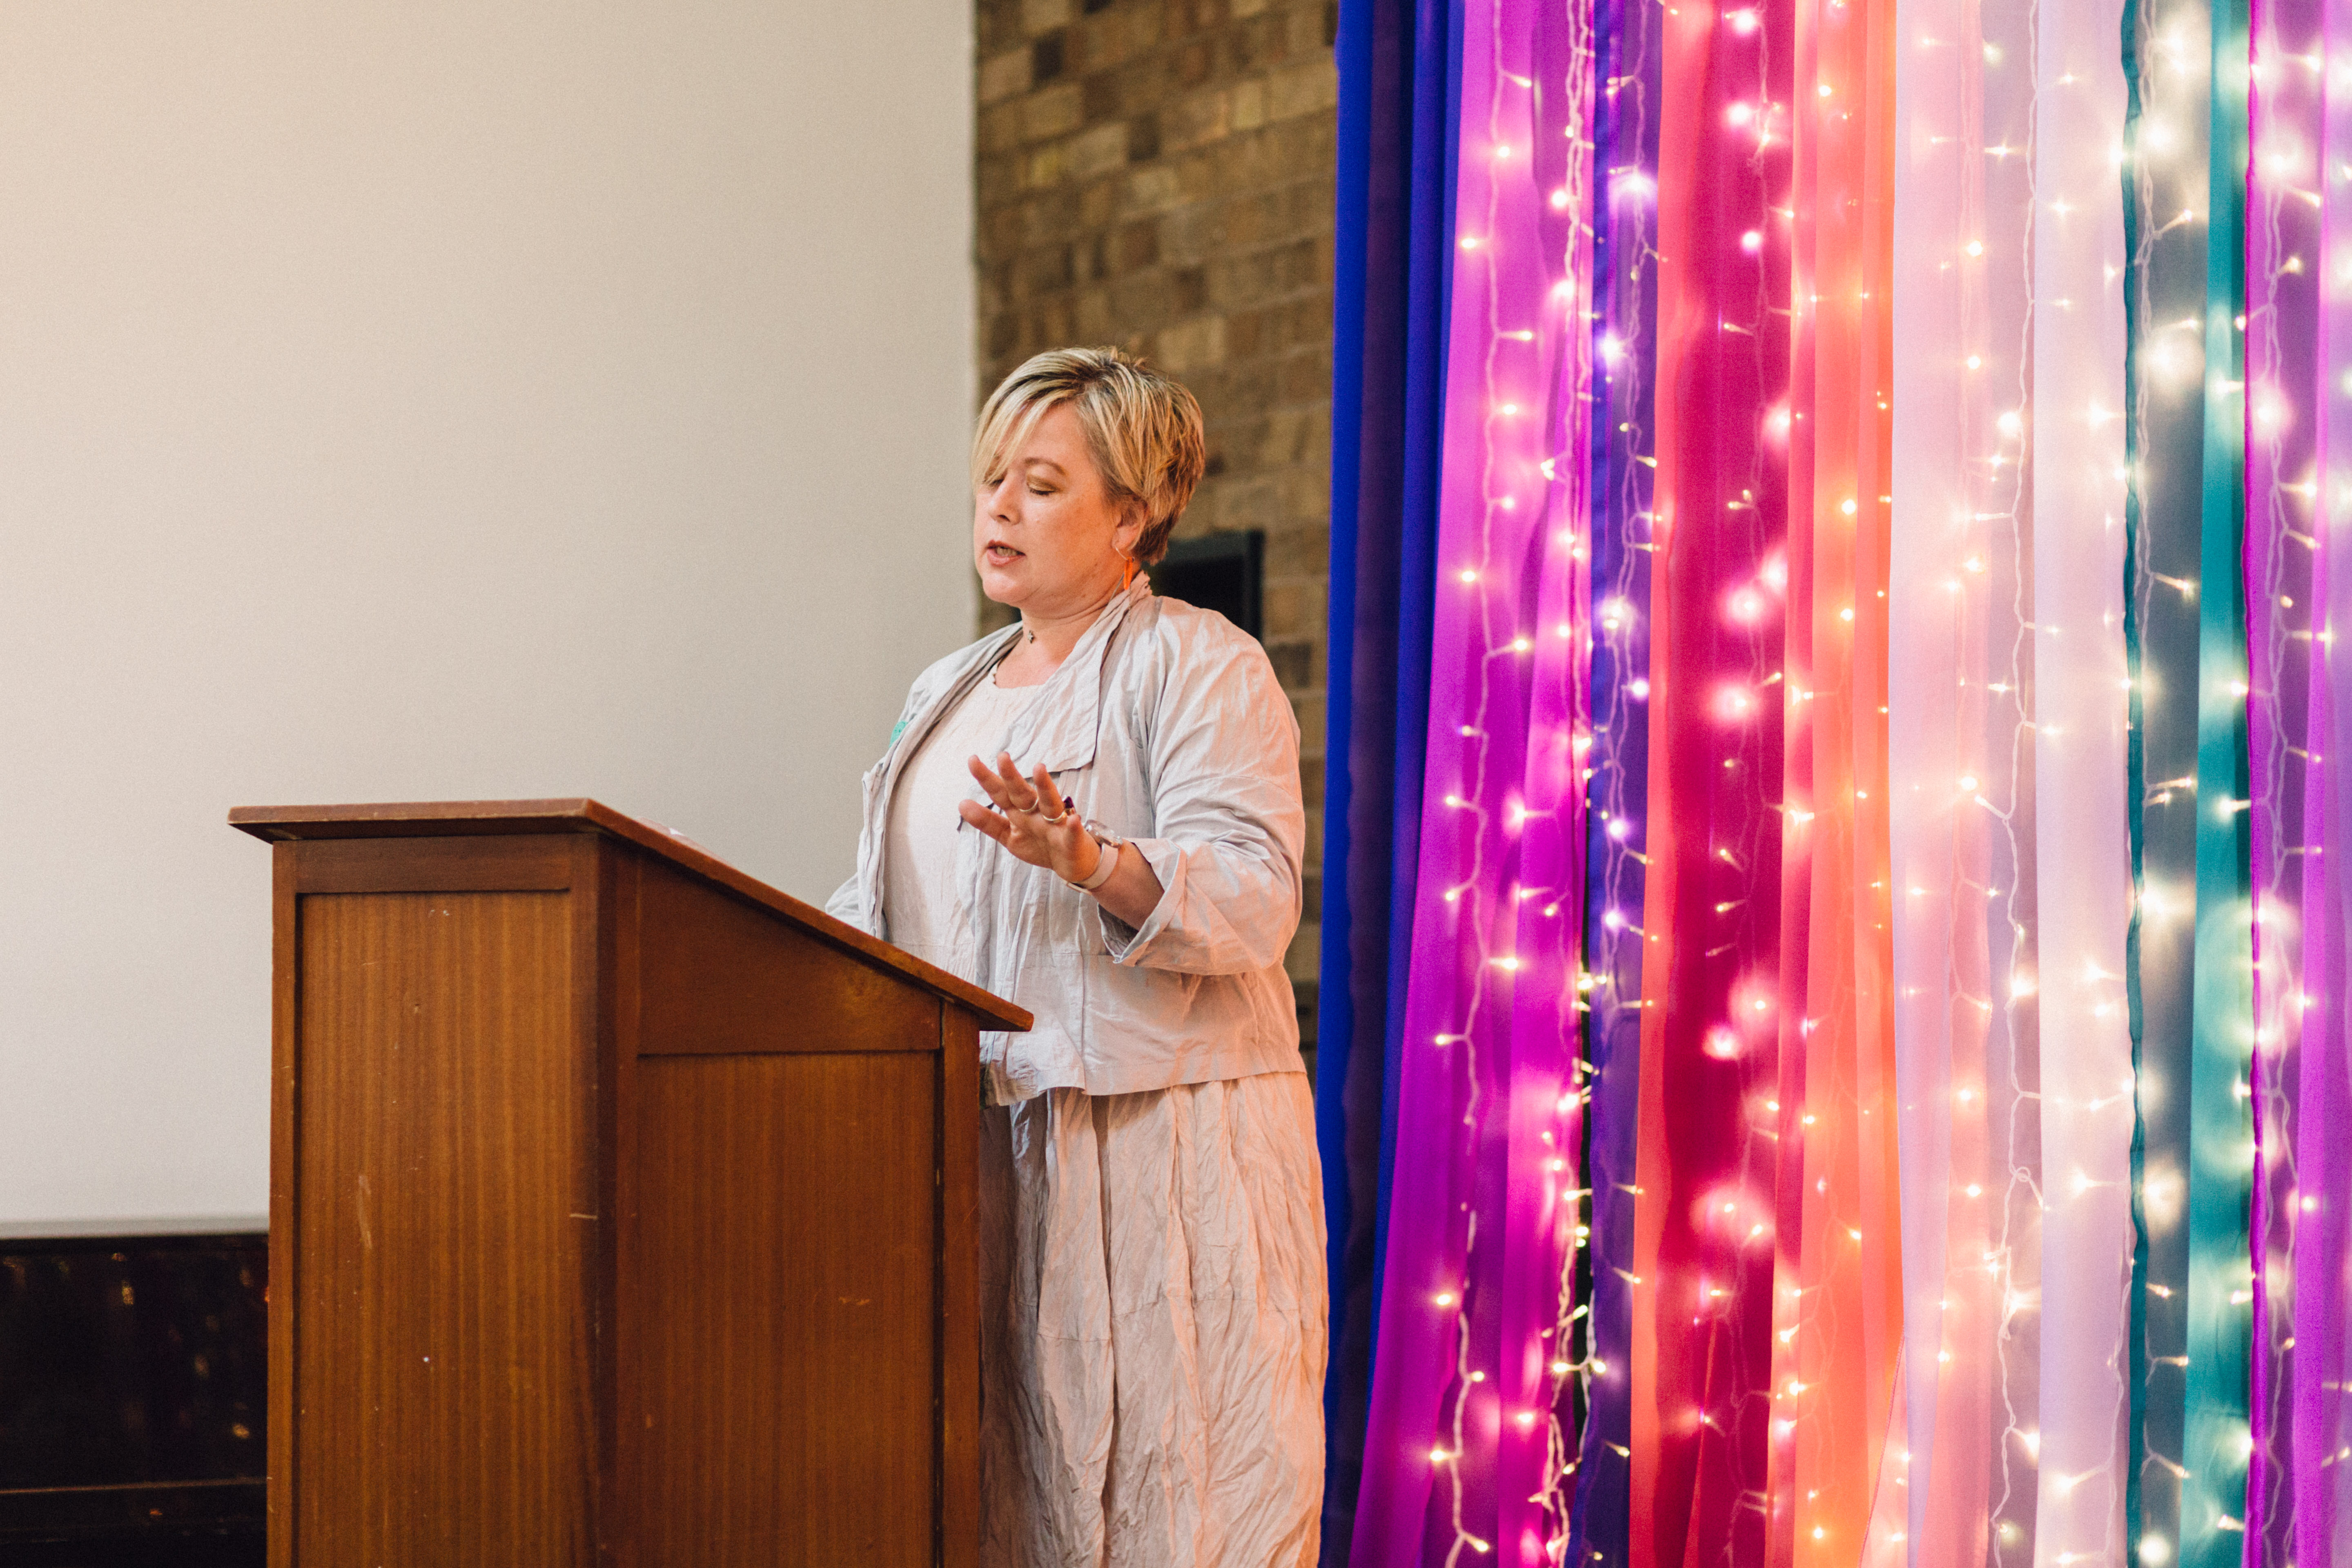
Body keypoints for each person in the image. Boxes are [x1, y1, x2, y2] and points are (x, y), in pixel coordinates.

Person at [827, 346, 1326, 1566]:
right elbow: (886, 906)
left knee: (1183, 1502)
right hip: (988, 1159)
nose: (999, 506)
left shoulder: (1198, 662)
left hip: (1160, 1158)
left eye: (1042, 484)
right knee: (1017, 1513)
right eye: (994, 476)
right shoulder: (946, 689)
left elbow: (1258, 898)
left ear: (1134, 515)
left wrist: (1094, 859)